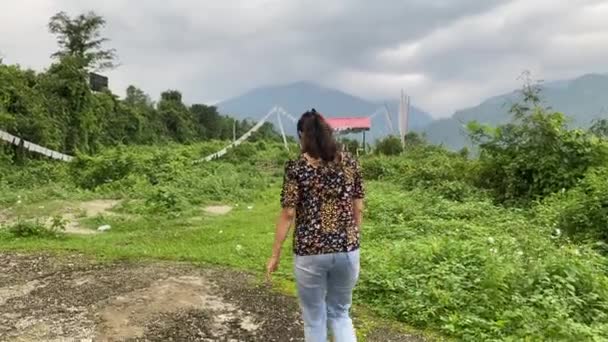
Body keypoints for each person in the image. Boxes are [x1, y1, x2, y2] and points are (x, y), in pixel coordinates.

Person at [266, 109, 365, 342]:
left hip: (310, 252)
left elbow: (289, 213)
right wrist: (352, 235)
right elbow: (358, 206)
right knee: (340, 314)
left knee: (314, 318)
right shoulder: (350, 162)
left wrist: (275, 253)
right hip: (347, 250)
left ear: (303, 136)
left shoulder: (297, 167)